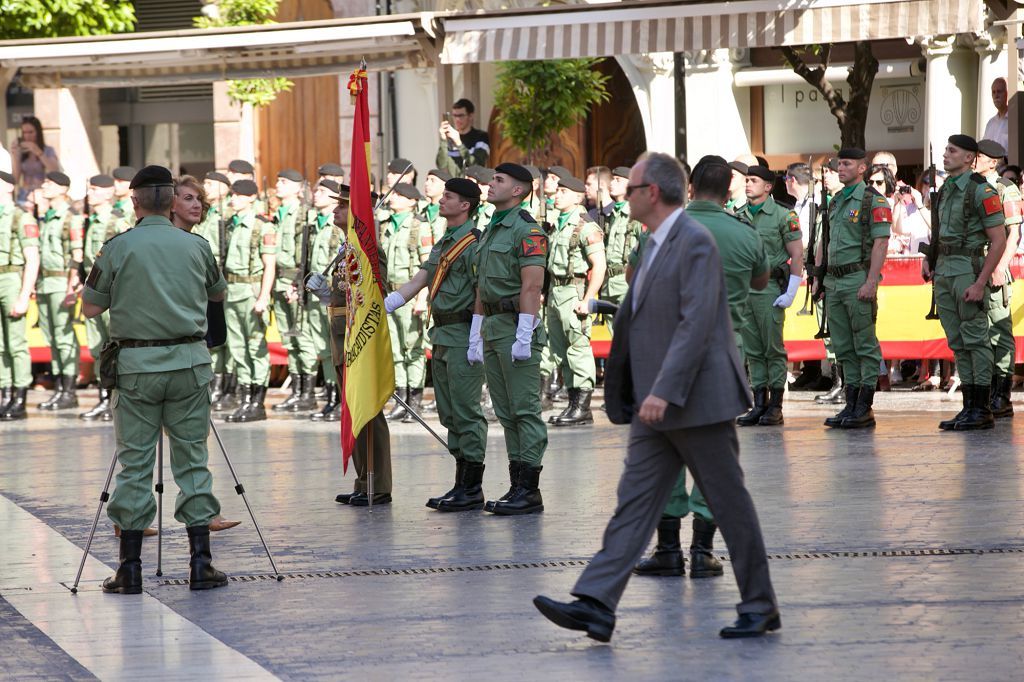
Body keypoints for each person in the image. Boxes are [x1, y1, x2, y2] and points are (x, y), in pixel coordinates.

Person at [533, 152, 779, 641]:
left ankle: (760, 604)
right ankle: (597, 602)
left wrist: (663, 391)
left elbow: (697, 322)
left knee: (728, 502)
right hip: (655, 401)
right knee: (635, 501)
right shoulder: (653, 244)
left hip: (696, 398)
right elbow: (640, 314)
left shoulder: (696, 242)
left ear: (654, 193)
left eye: (632, 189)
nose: (624, 197)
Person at [83, 165, 229, 594]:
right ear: (171, 202)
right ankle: (200, 565)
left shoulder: (116, 247)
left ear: (134, 202)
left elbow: (92, 308)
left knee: (135, 463)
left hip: (137, 369)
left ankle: (130, 570)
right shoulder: (196, 245)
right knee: (192, 461)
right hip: (188, 364)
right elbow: (217, 292)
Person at [633, 155, 770, 580]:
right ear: (729, 190)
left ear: (690, 187)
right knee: (714, 460)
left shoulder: (663, 231)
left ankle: (668, 549)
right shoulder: (745, 234)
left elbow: (636, 282)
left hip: (664, 358)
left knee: (665, 453)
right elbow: (761, 282)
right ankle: (702, 551)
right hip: (721, 360)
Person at [386, 178, 487, 511]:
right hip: (442, 334)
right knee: (449, 414)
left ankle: (472, 488)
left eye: (449, 196)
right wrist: (388, 302)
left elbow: (479, 291)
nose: (441, 200)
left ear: (465, 205)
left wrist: (476, 334)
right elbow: (422, 278)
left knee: (466, 412)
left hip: (462, 334)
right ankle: (460, 482)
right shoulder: (444, 240)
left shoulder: (474, 243)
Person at [469, 162, 549, 515]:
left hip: (517, 325)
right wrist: (475, 331)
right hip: (493, 327)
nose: (490, 183)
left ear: (518, 190)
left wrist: (525, 334)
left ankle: (530, 489)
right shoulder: (490, 230)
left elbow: (532, 285)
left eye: (499, 180)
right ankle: (517, 484)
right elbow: (481, 285)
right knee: (506, 412)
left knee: (525, 411)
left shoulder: (526, 231)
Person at [307, 181, 393, 507]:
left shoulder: (368, 250)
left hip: (359, 341)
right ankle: (362, 480)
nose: (335, 209)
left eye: (343, 205)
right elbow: (342, 297)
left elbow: (375, 295)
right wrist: (323, 294)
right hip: (341, 339)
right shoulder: (345, 249)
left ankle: (378, 483)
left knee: (369, 412)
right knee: (353, 411)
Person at [924, 134, 1007, 431]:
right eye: (946, 149)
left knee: (976, 340)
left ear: (969, 158)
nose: (946, 155)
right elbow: (939, 233)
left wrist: (980, 281)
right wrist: (930, 260)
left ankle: (981, 408)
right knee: (958, 342)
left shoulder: (980, 191)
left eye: (952, 151)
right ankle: (968, 406)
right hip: (946, 269)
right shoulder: (946, 189)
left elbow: (998, 240)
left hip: (967, 270)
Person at [812, 149, 891, 429]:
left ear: (862, 168)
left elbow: (881, 243)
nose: (840, 168)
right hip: (834, 281)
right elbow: (827, 240)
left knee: (864, 344)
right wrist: (818, 276)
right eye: (839, 164)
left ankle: (864, 406)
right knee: (843, 346)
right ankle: (851, 402)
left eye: (846, 164)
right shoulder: (835, 202)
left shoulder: (872, 200)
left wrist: (871, 281)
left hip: (858, 278)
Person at [735, 165, 803, 426]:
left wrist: (791, 291)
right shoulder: (738, 215)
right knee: (753, 350)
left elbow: (797, 254)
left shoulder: (783, 216)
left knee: (772, 348)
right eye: (747, 180)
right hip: (745, 289)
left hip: (770, 288)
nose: (747, 184)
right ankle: (759, 403)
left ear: (767, 186)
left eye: (753, 180)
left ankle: (775, 405)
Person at [545, 174, 606, 427]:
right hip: (555, 291)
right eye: (557, 191)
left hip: (574, 290)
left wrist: (587, 299)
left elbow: (599, 266)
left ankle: (582, 407)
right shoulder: (558, 223)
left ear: (578, 196)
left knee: (578, 348)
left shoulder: (585, 226)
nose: (557, 195)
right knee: (561, 350)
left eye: (563, 191)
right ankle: (572, 403)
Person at [222, 179, 278, 423]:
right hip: (231, 290)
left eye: (238, 195)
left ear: (251, 198)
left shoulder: (262, 227)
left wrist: (264, 296)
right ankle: (245, 397)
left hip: (251, 290)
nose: (232, 199)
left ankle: (257, 400)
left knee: (256, 346)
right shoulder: (231, 225)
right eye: (232, 195)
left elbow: (270, 266)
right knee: (237, 347)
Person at [71, 175, 125, 421]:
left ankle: (115, 398)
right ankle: (104, 397)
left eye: (94, 190)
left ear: (108, 193)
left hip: (112, 291)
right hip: (94, 287)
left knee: (113, 346)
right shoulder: (92, 220)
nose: (90, 194)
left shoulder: (117, 222)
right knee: (97, 346)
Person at [976, 139, 1022, 417]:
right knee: (979, 331)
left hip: (995, 266)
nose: (974, 160)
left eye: (979, 156)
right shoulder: (973, 186)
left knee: (999, 330)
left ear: (992, 161)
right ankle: (985, 390)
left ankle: (1002, 395)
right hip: (974, 265)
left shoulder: (1006, 188)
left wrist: (999, 267)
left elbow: (1013, 234)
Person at [379, 182, 431, 422]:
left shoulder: (420, 227)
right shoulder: (385, 226)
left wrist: (422, 297)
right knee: (394, 349)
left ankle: (415, 399)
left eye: (400, 196)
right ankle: (400, 397)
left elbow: (427, 264)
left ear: (412, 201)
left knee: (413, 348)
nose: (393, 199)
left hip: (410, 296)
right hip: (389, 295)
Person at [269, 169, 316, 414]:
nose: (278, 185)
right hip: (278, 281)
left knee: (302, 338)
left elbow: (304, 255)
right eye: (278, 181)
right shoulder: (279, 214)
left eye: (284, 182)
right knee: (289, 339)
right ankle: (297, 391)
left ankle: (307, 393)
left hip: (292, 282)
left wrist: (297, 284)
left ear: (298, 188)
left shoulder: (302, 214)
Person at [36, 171, 83, 410]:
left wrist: (71, 285)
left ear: (63, 189)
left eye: (49, 183)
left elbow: (76, 255)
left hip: (61, 282)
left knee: (64, 338)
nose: (44, 186)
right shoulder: (47, 217)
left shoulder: (70, 217)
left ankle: (70, 388)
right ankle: (59, 387)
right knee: (51, 337)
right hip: (45, 283)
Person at [298, 180, 344, 423]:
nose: (316, 195)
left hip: (334, 294)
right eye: (315, 190)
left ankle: (339, 397)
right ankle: (330, 397)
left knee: (336, 348)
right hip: (317, 293)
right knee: (324, 350)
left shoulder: (337, 227)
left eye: (322, 191)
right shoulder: (316, 224)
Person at [0, 170, 40, 421]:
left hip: (11, 278)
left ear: (8, 187)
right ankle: (5, 393)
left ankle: (20, 396)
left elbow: (32, 259)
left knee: (16, 344)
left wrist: (24, 295)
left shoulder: (20, 216)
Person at [600, 167, 644, 310]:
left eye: (618, 180)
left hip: (627, 283)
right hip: (609, 284)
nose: (612, 183)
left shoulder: (636, 214)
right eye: (612, 179)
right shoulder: (611, 215)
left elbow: (647, 247)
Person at [9, 116, 61, 204]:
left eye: (31, 132)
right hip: (24, 194)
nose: (27, 136)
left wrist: (37, 150)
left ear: (38, 132)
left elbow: (54, 170)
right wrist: (15, 156)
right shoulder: (23, 152)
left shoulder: (48, 150)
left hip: (41, 194)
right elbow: (16, 179)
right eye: (24, 132)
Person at [436, 98, 491, 176]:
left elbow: (477, 165)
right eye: (455, 115)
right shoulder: (450, 138)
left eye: (461, 115)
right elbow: (441, 165)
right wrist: (443, 140)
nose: (457, 119)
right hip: (452, 185)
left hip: (471, 186)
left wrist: (459, 143)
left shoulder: (481, 137)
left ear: (470, 116)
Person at [421, 168, 451, 242]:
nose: (427, 183)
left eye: (432, 180)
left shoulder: (451, 212)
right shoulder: (421, 211)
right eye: (427, 179)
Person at [982, 77, 1009, 150]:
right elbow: (983, 149)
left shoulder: (1015, 121)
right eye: (993, 92)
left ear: (1008, 93)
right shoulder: (990, 123)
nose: (996, 95)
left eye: (999, 91)